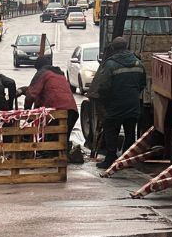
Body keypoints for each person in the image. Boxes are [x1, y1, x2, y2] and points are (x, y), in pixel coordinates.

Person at [90, 37, 145, 169]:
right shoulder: (138, 63)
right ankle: (127, 159)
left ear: (113, 48)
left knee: (111, 131)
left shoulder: (110, 64)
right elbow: (143, 84)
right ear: (126, 47)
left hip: (115, 105)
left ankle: (110, 158)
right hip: (132, 104)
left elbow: (103, 86)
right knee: (130, 132)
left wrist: (104, 102)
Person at [24, 56, 79, 137]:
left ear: (38, 67)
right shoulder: (60, 74)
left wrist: (27, 113)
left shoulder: (42, 73)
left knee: (49, 142)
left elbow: (31, 95)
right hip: (72, 111)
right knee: (63, 143)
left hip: (56, 112)